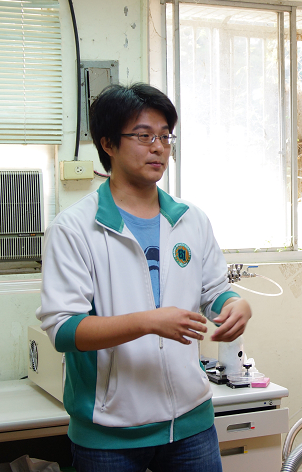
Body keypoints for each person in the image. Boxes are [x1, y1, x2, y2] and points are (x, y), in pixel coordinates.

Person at [37, 83, 251, 472]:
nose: (158, 148)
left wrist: (234, 304)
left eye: (165, 137)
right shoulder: (75, 228)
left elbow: (214, 291)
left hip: (191, 425)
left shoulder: (190, 219)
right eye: (143, 136)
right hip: (109, 434)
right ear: (108, 144)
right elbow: (64, 330)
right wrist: (148, 322)